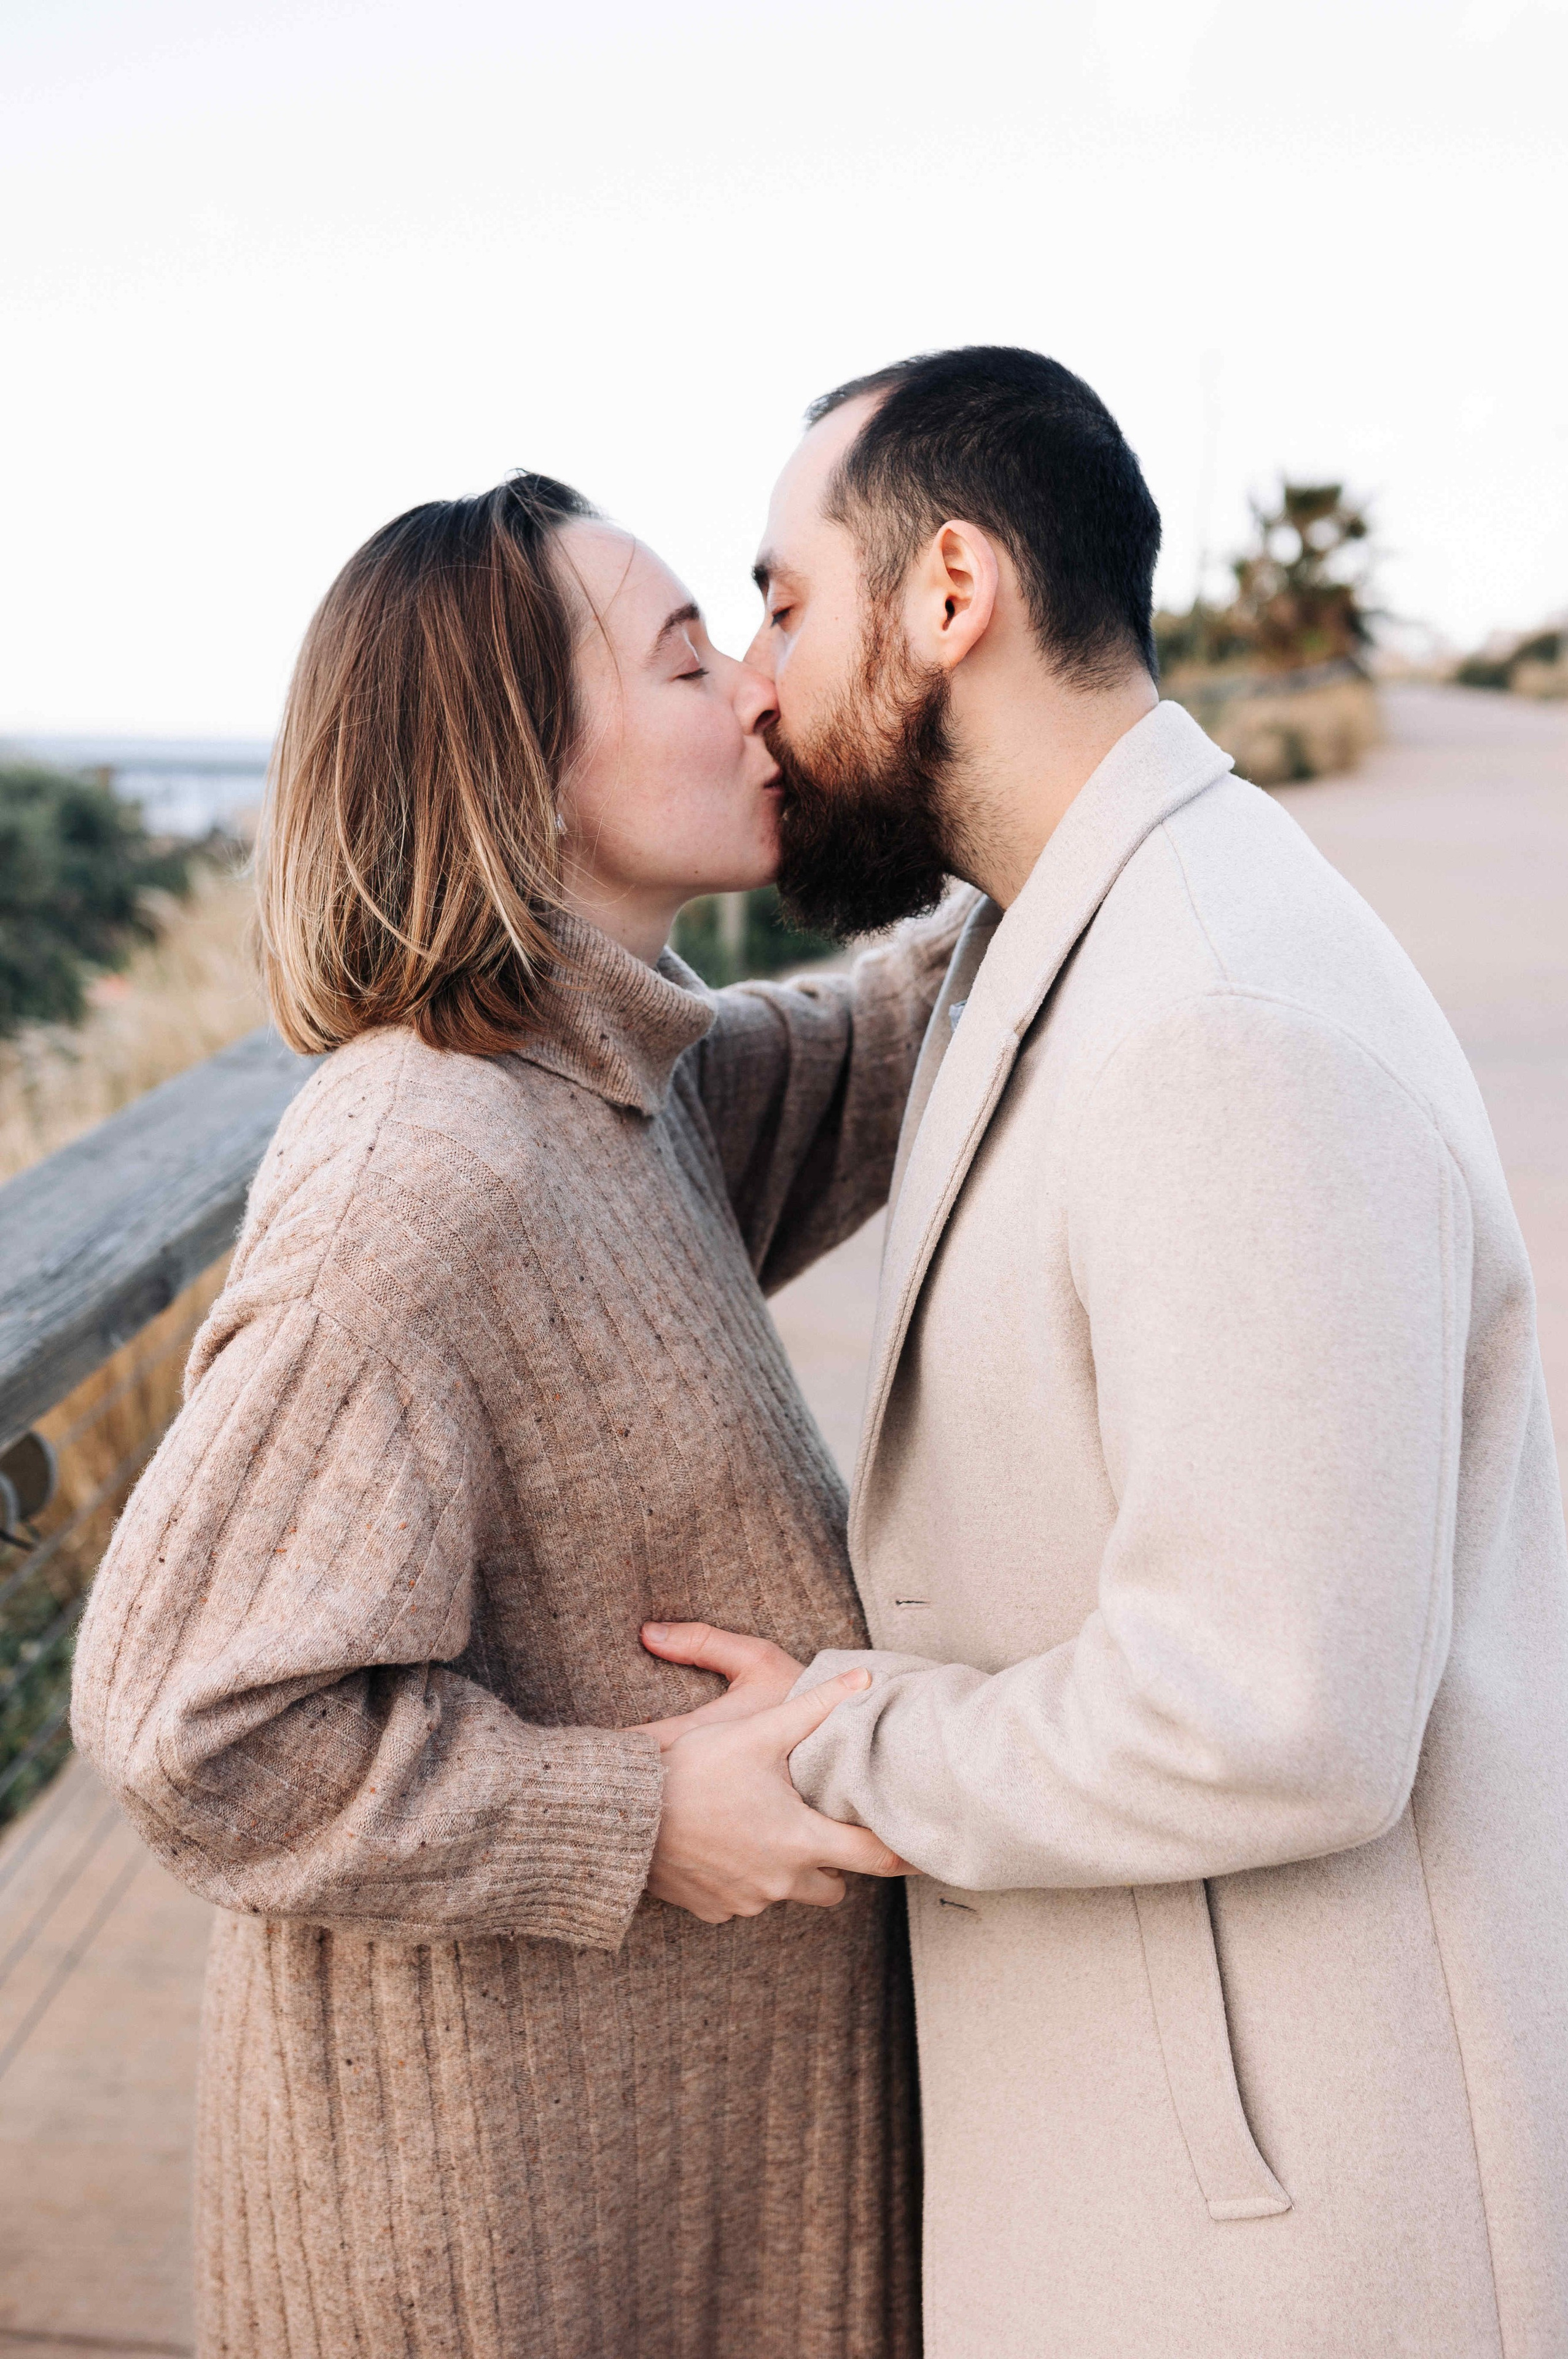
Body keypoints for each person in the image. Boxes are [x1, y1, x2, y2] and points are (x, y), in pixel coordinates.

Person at [642, 348, 1568, 2358]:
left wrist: (834, 1740)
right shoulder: (1059, 931)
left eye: (787, 601)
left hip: (1292, 2223)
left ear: (951, 594)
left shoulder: (1219, 1019)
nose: (755, 683)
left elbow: (1274, 1707)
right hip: (1164, 2155)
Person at [72, 472, 961, 2357]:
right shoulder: (425, 1175)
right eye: (686, 656)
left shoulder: (617, 1088)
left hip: (642, 2190)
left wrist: (1081, 784)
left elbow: (876, 1046)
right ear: (520, 763)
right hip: (495, 2253)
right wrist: (633, 1811)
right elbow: (188, 1726)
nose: (756, 695)